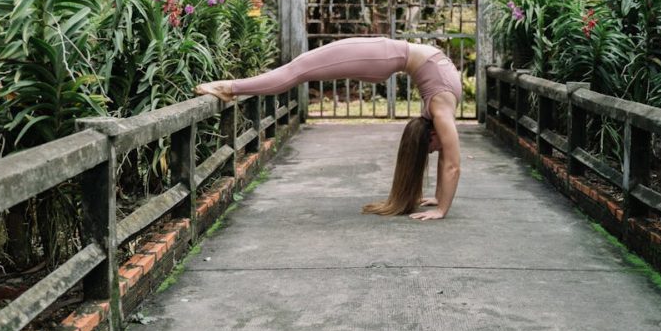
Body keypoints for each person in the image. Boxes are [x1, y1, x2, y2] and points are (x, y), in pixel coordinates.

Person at [194, 37, 462, 221]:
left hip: (389, 57)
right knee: (298, 69)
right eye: (431, 149)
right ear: (431, 135)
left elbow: (446, 160)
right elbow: (452, 165)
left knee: (300, 68)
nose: (436, 152)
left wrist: (439, 201)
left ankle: (231, 87)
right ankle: (229, 88)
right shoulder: (440, 111)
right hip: (386, 55)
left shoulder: (438, 113)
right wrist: (442, 210)